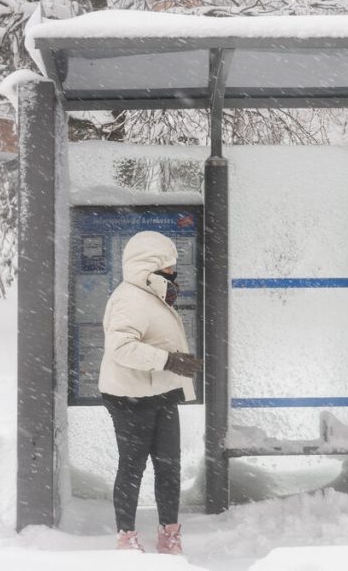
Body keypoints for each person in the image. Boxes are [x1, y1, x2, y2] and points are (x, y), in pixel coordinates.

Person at [98, 230, 202, 555]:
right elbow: (121, 348)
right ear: (151, 266)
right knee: (133, 467)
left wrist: (172, 365)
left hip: (162, 394)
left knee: (169, 465)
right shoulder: (130, 298)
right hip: (131, 397)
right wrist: (169, 360)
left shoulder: (151, 294)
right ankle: (126, 539)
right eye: (169, 266)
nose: (174, 272)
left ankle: (169, 534)